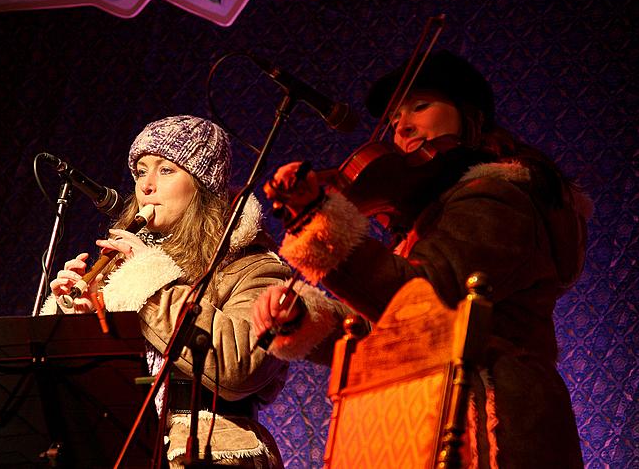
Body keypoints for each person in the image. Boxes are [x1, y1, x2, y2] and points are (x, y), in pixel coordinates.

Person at [251, 51, 592, 468]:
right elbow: (392, 334)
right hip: (427, 417)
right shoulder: (430, 221)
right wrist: (304, 320)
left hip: (490, 423)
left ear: (470, 117)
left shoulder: (500, 200)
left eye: (421, 106)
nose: (402, 127)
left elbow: (424, 300)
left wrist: (317, 221)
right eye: (394, 118)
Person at [41, 115, 292, 468]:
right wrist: (81, 316)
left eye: (166, 170)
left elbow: (241, 366)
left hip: (208, 452)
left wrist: (151, 288)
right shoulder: (125, 267)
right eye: (141, 171)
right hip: (122, 449)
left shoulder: (255, 265)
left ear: (203, 186)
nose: (146, 185)